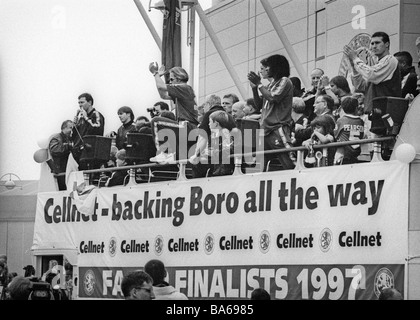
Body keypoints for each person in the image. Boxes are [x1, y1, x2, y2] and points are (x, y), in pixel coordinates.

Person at [248, 54, 296, 171]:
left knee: (288, 160)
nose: (265, 70)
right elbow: (259, 105)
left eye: (267, 67)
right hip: (265, 129)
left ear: (276, 67)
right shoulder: (270, 85)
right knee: (261, 164)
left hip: (277, 128)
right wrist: (255, 88)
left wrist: (259, 84)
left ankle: (299, 180)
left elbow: (273, 98)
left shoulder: (285, 81)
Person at [149, 63, 199, 163]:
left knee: (156, 121)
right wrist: (158, 76)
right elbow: (163, 95)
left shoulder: (184, 88)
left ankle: (165, 153)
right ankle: (169, 154)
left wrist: (155, 73)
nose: (170, 82)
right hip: (189, 127)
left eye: (172, 79)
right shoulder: (184, 91)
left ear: (179, 78)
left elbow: (161, 86)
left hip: (188, 126)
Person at [344, 31, 401, 114]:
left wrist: (355, 59)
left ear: (387, 44)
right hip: (373, 111)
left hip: (386, 111)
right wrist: (353, 65)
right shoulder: (377, 64)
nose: (374, 46)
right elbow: (361, 86)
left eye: (377, 43)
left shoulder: (390, 60)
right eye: (372, 43)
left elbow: (371, 75)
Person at [189, 94, 232, 178]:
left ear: (208, 104)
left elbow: (202, 137)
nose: (203, 107)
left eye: (204, 105)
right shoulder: (228, 115)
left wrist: (196, 155)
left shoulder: (210, 114)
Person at [71, 92, 105, 166]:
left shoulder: (96, 114)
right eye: (79, 103)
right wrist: (75, 125)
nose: (80, 105)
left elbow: (97, 129)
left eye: (82, 102)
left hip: (90, 152)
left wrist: (87, 118)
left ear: (89, 102)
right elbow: (74, 137)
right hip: (79, 152)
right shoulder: (81, 119)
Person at [334, 97, 365, 165]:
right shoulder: (361, 121)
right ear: (356, 108)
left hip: (343, 154)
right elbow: (361, 136)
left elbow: (335, 136)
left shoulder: (341, 120)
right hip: (356, 152)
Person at [49, 120, 74, 190]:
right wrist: (68, 146)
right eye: (70, 128)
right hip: (61, 171)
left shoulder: (70, 138)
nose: (72, 130)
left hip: (68, 170)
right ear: (64, 128)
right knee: (63, 190)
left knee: (71, 189)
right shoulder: (56, 138)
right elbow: (54, 150)